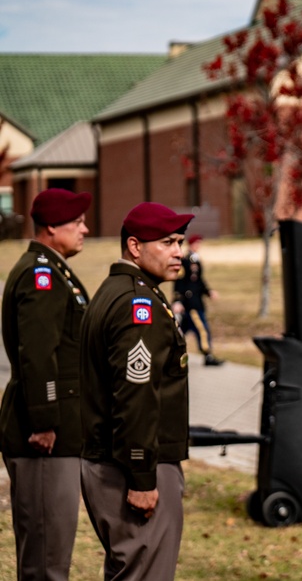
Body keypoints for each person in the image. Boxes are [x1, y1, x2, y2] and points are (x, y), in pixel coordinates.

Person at [79, 202, 194, 580]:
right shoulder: (137, 304)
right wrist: (142, 477)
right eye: (166, 242)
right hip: (134, 468)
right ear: (134, 247)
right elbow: (136, 395)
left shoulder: (118, 290)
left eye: (180, 241)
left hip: (116, 462)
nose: (178, 251)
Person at [0, 188, 91, 581]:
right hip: (43, 436)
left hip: (56, 431)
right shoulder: (41, 276)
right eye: (77, 223)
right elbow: (38, 355)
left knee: (54, 551)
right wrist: (44, 420)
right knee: (44, 560)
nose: (85, 229)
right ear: (52, 227)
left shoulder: (52, 270)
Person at [171, 234, 223, 366]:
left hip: (197, 301)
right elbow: (180, 282)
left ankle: (171, 353)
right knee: (202, 328)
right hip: (190, 303)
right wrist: (178, 300)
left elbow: (199, 281)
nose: (198, 246)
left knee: (182, 330)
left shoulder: (196, 261)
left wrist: (208, 292)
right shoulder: (185, 261)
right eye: (196, 243)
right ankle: (208, 355)